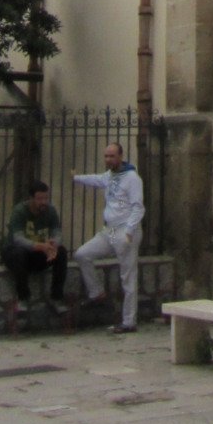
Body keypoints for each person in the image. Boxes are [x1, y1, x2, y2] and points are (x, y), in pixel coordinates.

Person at [74, 141, 146, 331]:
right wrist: (77, 178)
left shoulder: (132, 178)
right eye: (106, 156)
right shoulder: (110, 176)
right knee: (82, 254)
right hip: (110, 230)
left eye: (112, 156)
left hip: (125, 231)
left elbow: (138, 207)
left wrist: (130, 231)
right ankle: (96, 293)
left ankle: (129, 321)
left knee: (128, 277)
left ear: (120, 156)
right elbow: (96, 180)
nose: (108, 159)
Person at [3, 180, 68, 307]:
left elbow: (57, 232)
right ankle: (23, 297)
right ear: (31, 198)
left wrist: (53, 245)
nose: (43, 202)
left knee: (62, 252)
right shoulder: (20, 211)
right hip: (17, 254)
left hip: (38, 254)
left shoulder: (50, 211)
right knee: (18, 253)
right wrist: (40, 246)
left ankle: (57, 297)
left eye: (45, 198)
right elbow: (18, 239)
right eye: (39, 199)